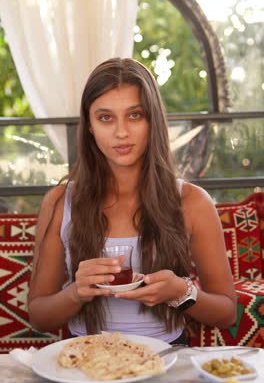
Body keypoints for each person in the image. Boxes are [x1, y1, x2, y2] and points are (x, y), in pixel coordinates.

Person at [28, 57, 236, 344]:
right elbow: (39, 316)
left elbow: (226, 313)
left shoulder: (192, 201)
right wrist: (77, 291)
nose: (121, 132)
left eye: (135, 115)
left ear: (153, 120)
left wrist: (181, 292)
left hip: (167, 360)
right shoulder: (59, 202)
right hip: (85, 362)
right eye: (105, 117)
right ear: (89, 125)